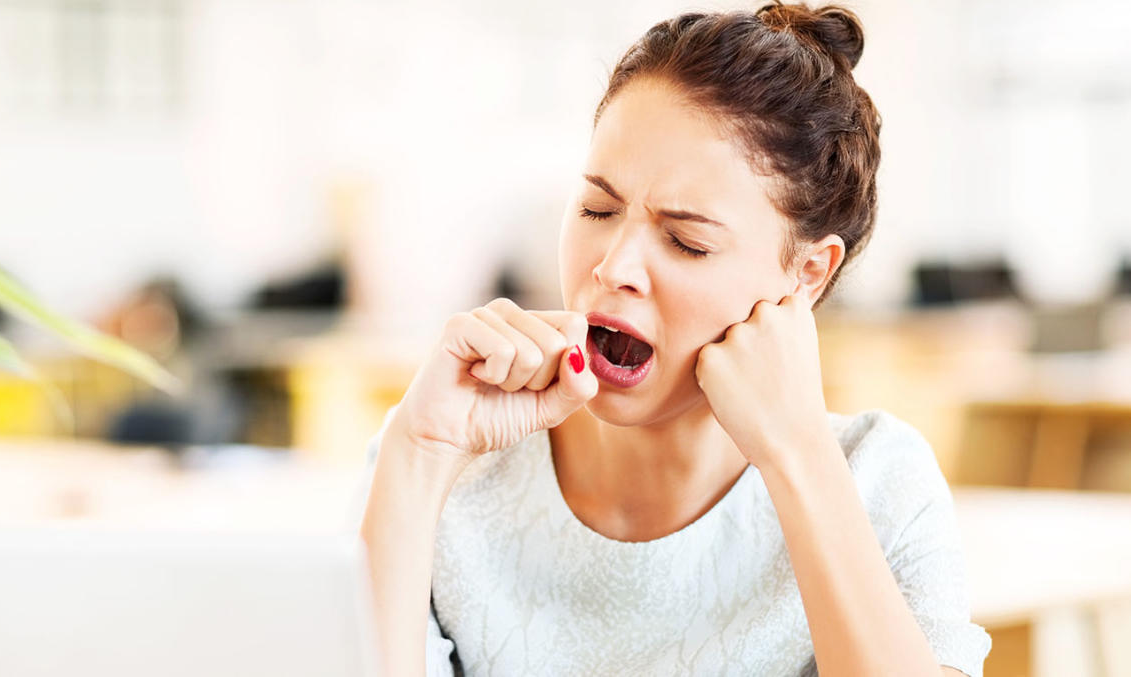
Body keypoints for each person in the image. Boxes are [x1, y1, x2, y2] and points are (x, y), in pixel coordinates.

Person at [357, 2, 993, 675]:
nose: (613, 266)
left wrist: (797, 456)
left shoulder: (877, 480)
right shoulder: (446, 462)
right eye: (597, 208)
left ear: (807, 274)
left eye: (686, 241)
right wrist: (420, 452)